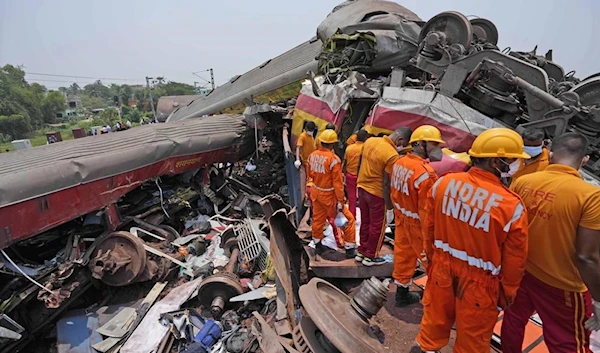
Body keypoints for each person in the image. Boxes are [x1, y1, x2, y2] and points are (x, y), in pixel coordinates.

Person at [417, 128, 530, 353]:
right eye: (513, 160)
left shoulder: (443, 183)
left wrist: (432, 261)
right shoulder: (511, 206)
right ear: (497, 162)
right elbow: (514, 260)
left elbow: (428, 228)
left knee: (434, 323)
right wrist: (505, 296)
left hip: (441, 268)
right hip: (481, 285)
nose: (515, 165)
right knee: (473, 342)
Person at [502, 132, 600, 353]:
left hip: (522, 271)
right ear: (585, 160)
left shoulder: (523, 182)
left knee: (513, 320)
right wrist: (599, 299)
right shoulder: (590, 196)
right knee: (567, 342)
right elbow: (587, 257)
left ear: (552, 153)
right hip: (563, 284)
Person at [391, 125, 444, 307]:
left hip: (401, 217)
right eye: (434, 144)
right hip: (417, 225)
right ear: (420, 144)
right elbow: (427, 211)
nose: (438, 149)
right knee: (433, 263)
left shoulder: (399, 163)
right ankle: (434, 305)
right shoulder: (425, 174)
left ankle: (402, 293)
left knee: (403, 255)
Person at [355, 127, 411, 266]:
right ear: (400, 140)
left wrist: (358, 181)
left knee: (365, 221)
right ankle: (371, 256)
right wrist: (390, 207)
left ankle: (361, 251)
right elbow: (386, 183)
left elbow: (359, 163)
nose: (402, 147)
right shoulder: (392, 155)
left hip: (361, 188)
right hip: (376, 193)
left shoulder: (370, 141)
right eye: (403, 145)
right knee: (378, 226)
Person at [307, 130, 357, 258]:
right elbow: (338, 183)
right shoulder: (334, 160)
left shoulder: (312, 155)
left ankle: (318, 244)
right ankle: (350, 249)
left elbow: (310, 174)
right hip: (329, 195)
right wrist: (341, 201)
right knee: (348, 220)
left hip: (316, 192)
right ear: (332, 144)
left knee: (318, 220)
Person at [343, 129, 368, 218]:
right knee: (363, 198)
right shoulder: (365, 149)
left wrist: (344, 174)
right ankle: (364, 216)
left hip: (350, 175)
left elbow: (345, 163)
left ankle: (351, 216)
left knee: (351, 198)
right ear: (365, 138)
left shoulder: (349, 148)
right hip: (362, 176)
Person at [295, 121, 317, 205]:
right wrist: (297, 159)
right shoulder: (302, 136)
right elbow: (298, 148)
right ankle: (307, 198)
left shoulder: (310, 136)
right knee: (307, 180)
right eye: (310, 130)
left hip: (311, 161)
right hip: (306, 162)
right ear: (306, 129)